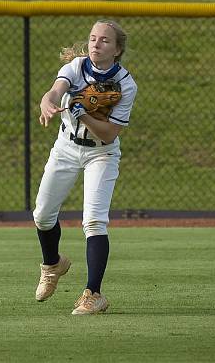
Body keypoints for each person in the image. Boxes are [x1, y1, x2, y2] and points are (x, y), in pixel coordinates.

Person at [33, 19, 138, 315]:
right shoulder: (76, 67)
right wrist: (47, 102)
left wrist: (84, 114)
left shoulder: (127, 84)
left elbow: (109, 133)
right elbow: (55, 91)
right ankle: (53, 265)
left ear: (117, 50)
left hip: (101, 154)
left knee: (93, 221)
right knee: (42, 214)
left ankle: (94, 294)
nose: (96, 44)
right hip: (66, 147)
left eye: (104, 40)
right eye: (93, 38)